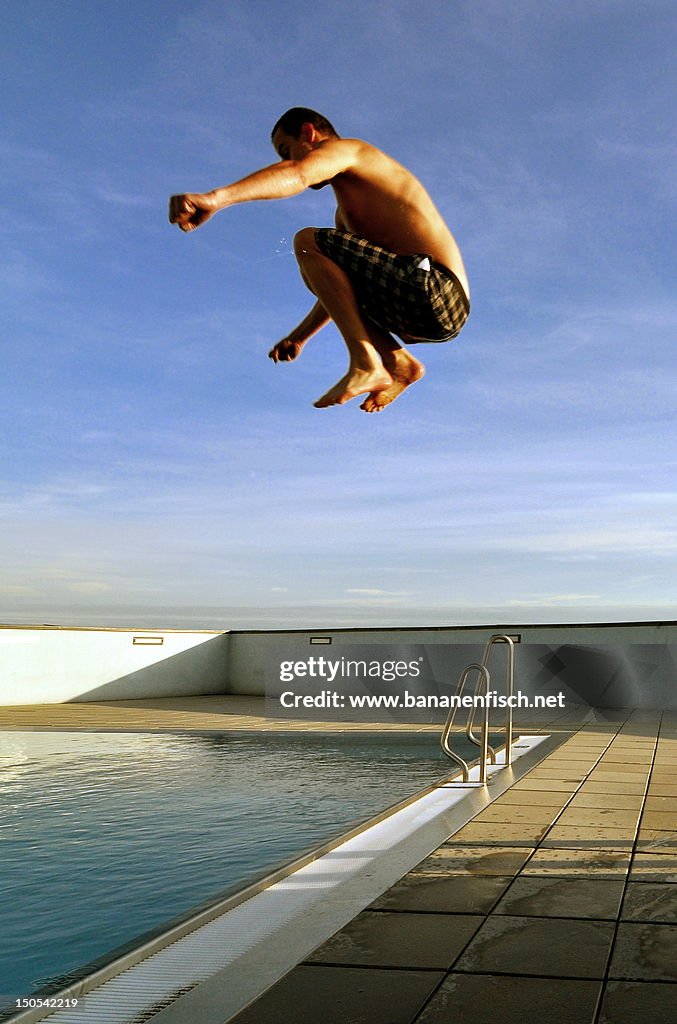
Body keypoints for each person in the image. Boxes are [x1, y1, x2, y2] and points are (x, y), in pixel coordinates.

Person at [169, 107, 470, 412]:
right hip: (428, 314)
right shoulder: (345, 216)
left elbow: (297, 175)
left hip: (437, 288)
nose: (288, 161)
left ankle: (366, 362)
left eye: (287, 151)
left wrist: (216, 199)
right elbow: (337, 290)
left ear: (309, 133)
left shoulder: (350, 150)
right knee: (320, 261)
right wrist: (300, 337)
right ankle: (398, 362)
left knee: (306, 241)